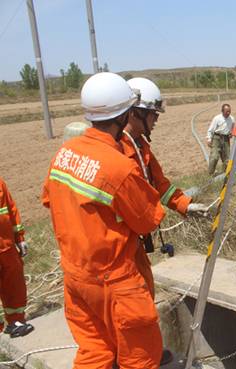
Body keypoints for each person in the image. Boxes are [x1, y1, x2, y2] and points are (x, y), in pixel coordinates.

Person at [42, 72, 165, 369]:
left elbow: (50, 199)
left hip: (76, 278)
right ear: (126, 114)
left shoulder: (65, 153)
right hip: (116, 282)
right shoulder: (118, 167)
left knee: (94, 354)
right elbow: (148, 221)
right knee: (139, 358)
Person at [122, 77, 209, 298]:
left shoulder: (140, 145)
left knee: (144, 292)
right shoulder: (118, 151)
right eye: (153, 114)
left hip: (136, 242)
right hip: (120, 246)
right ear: (134, 113)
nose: (156, 120)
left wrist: (185, 206)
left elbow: (161, 184)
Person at [0, 177, 34, 338]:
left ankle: (16, 321)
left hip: (7, 247)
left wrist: (19, 238)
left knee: (15, 286)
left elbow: (10, 209)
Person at [206, 104, 235, 175]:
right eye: (226, 111)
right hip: (217, 138)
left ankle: (224, 174)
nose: (228, 113)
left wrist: (231, 133)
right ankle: (211, 173)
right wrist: (209, 139)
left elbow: (233, 129)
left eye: (229, 111)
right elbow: (210, 129)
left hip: (226, 139)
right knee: (215, 157)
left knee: (227, 159)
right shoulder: (217, 118)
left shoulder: (232, 119)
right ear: (222, 111)